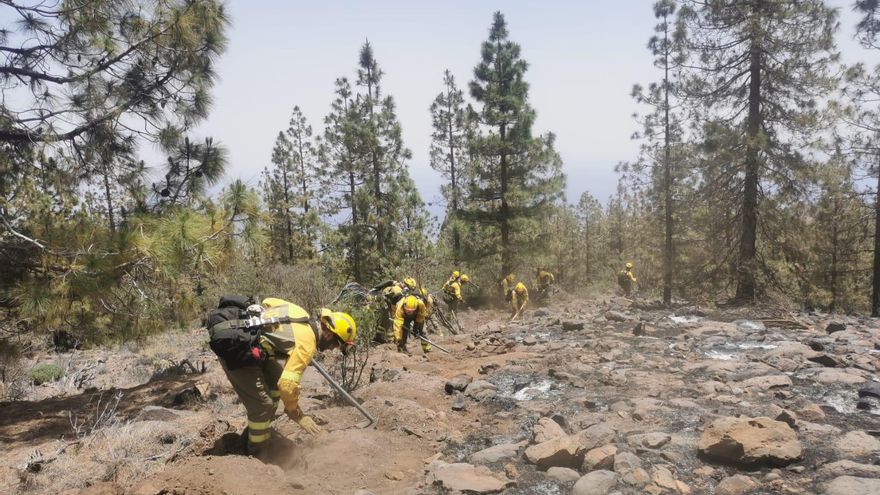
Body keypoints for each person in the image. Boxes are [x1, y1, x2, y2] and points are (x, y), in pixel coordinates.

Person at [206, 297, 356, 456]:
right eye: (336, 345)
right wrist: (296, 414)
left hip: (251, 342)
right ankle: (257, 451)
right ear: (329, 335)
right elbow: (287, 385)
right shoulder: (306, 344)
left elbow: (268, 301)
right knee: (262, 406)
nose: (332, 349)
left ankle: (259, 428)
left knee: (275, 380)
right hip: (236, 350)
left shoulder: (300, 313)